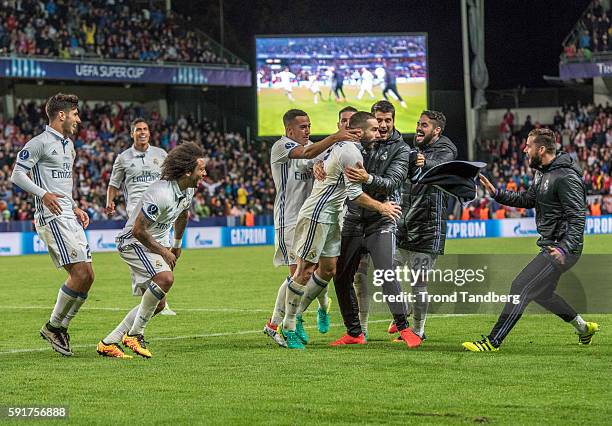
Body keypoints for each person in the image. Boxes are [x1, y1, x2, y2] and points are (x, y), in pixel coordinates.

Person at [464, 128, 599, 351]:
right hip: (552, 245)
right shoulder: (542, 172)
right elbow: (528, 199)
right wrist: (497, 193)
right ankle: (584, 328)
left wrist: (564, 248)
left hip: (562, 249)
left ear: (542, 149)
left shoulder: (566, 177)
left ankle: (492, 341)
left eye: (528, 146)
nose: (524, 150)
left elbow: (578, 218)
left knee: (520, 286)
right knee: (543, 295)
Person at [280, 111, 402, 349]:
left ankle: (301, 314)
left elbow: (326, 163)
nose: (378, 134)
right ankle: (288, 325)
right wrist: (382, 207)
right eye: (373, 130)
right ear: (359, 132)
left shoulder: (349, 148)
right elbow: (355, 194)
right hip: (318, 214)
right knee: (304, 271)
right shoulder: (350, 152)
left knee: (329, 268)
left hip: (333, 216)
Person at [97, 141, 206, 358]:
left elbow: (183, 214)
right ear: (187, 171)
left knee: (158, 303)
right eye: (200, 169)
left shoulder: (188, 189)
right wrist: (164, 252)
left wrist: (176, 244)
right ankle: (135, 334)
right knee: (165, 279)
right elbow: (138, 230)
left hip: (151, 243)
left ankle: (109, 342)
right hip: (133, 242)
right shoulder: (161, 193)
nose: (204, 173)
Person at [329, 101, 423, 348]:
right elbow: (337, 162)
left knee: (386, 271)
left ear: (393, 121)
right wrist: (321, 164)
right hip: (352, 218)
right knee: (341, 277)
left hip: (382, 219)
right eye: (378, 120)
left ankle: (404, 327)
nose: (382, 126)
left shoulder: (401, 150)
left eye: (387, 121)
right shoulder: (359, 144)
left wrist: (367, 178)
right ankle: (354, 332)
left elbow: (392, 182)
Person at [263, 109, 359, 347]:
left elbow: (322, 158)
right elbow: (306, 153)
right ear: (289, 130)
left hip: (318, 216)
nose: (308, 130)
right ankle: (279, 323)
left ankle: (310, 309)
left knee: (326, 269)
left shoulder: (317, 147)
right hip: (290, 219)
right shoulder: (281, 147)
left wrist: (321, 165)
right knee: (299, 273)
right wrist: (335, 137)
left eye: (309, 126)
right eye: (303, 127)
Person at [10, 93, 94, 356]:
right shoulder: (39, 143)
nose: (78, 119)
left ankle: (59, 327)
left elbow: (63, 185)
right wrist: (43, 194)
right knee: (79, 273)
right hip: (51, 216)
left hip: (68, 212)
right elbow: (16, 174)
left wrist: (76, 205)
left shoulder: (69, 146)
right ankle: (54, 326)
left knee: (88, 276)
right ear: (62, 115)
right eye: (76, 114)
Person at [392, 110, 458, 342]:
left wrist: (424, 161)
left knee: (418, 281)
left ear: (437, 131)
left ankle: (418, 330)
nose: (419, 128)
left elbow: (442, 165)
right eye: (418, 124)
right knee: (386, 271)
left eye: (425, 125)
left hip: (429, 226)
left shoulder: (445, 149)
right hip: (405, 223)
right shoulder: (414, 149)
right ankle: (403, 309)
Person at [106, 118, 176, 316]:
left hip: (160, 209)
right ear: (132, 134)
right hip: (136, 211)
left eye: (145, 129)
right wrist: (109, 202)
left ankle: (161, 299)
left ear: (150, 133)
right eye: (138, 130)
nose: (142, 132)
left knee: (164, 251)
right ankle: (154, 298)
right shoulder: (123, 158)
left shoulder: (161, 154)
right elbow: (114, 184)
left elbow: (169, 179)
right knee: (141, 250)